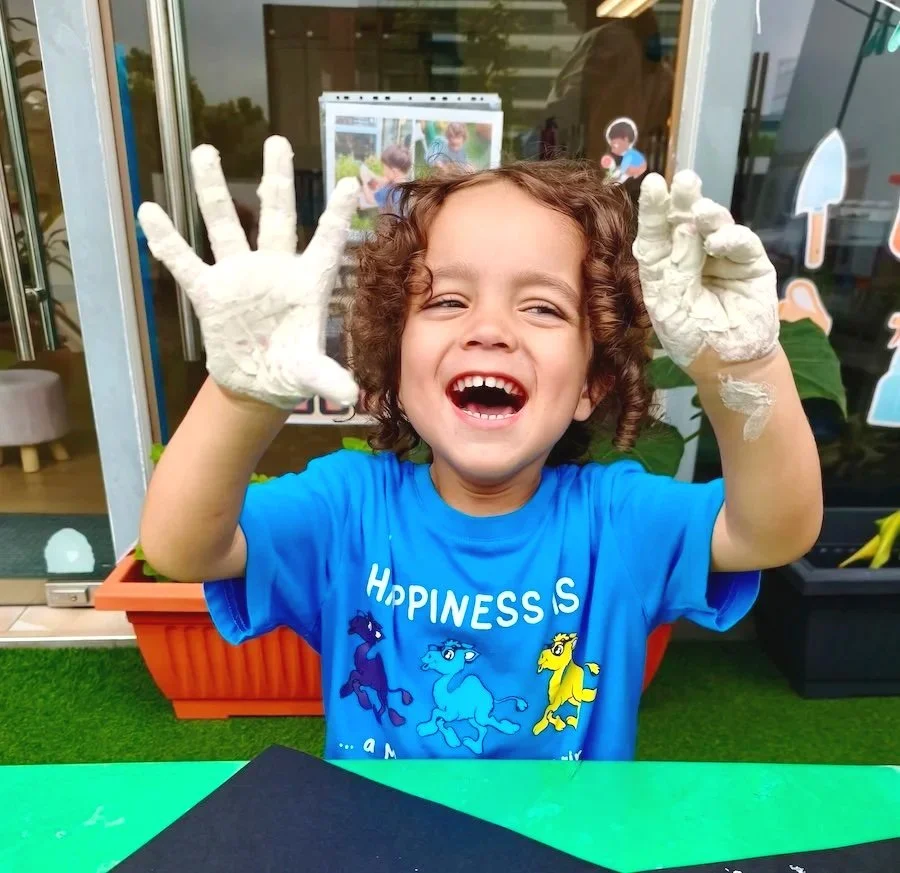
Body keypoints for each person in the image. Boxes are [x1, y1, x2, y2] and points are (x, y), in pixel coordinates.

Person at [136, 136, 823, 761]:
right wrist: (242, 396)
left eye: (543, 307)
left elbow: (773, 530)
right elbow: (181, 548)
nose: (490, 328)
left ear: (591, 384)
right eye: (445, 301)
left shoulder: (615, 521)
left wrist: (743, 368)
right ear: (394, 364)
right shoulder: (348, 506)